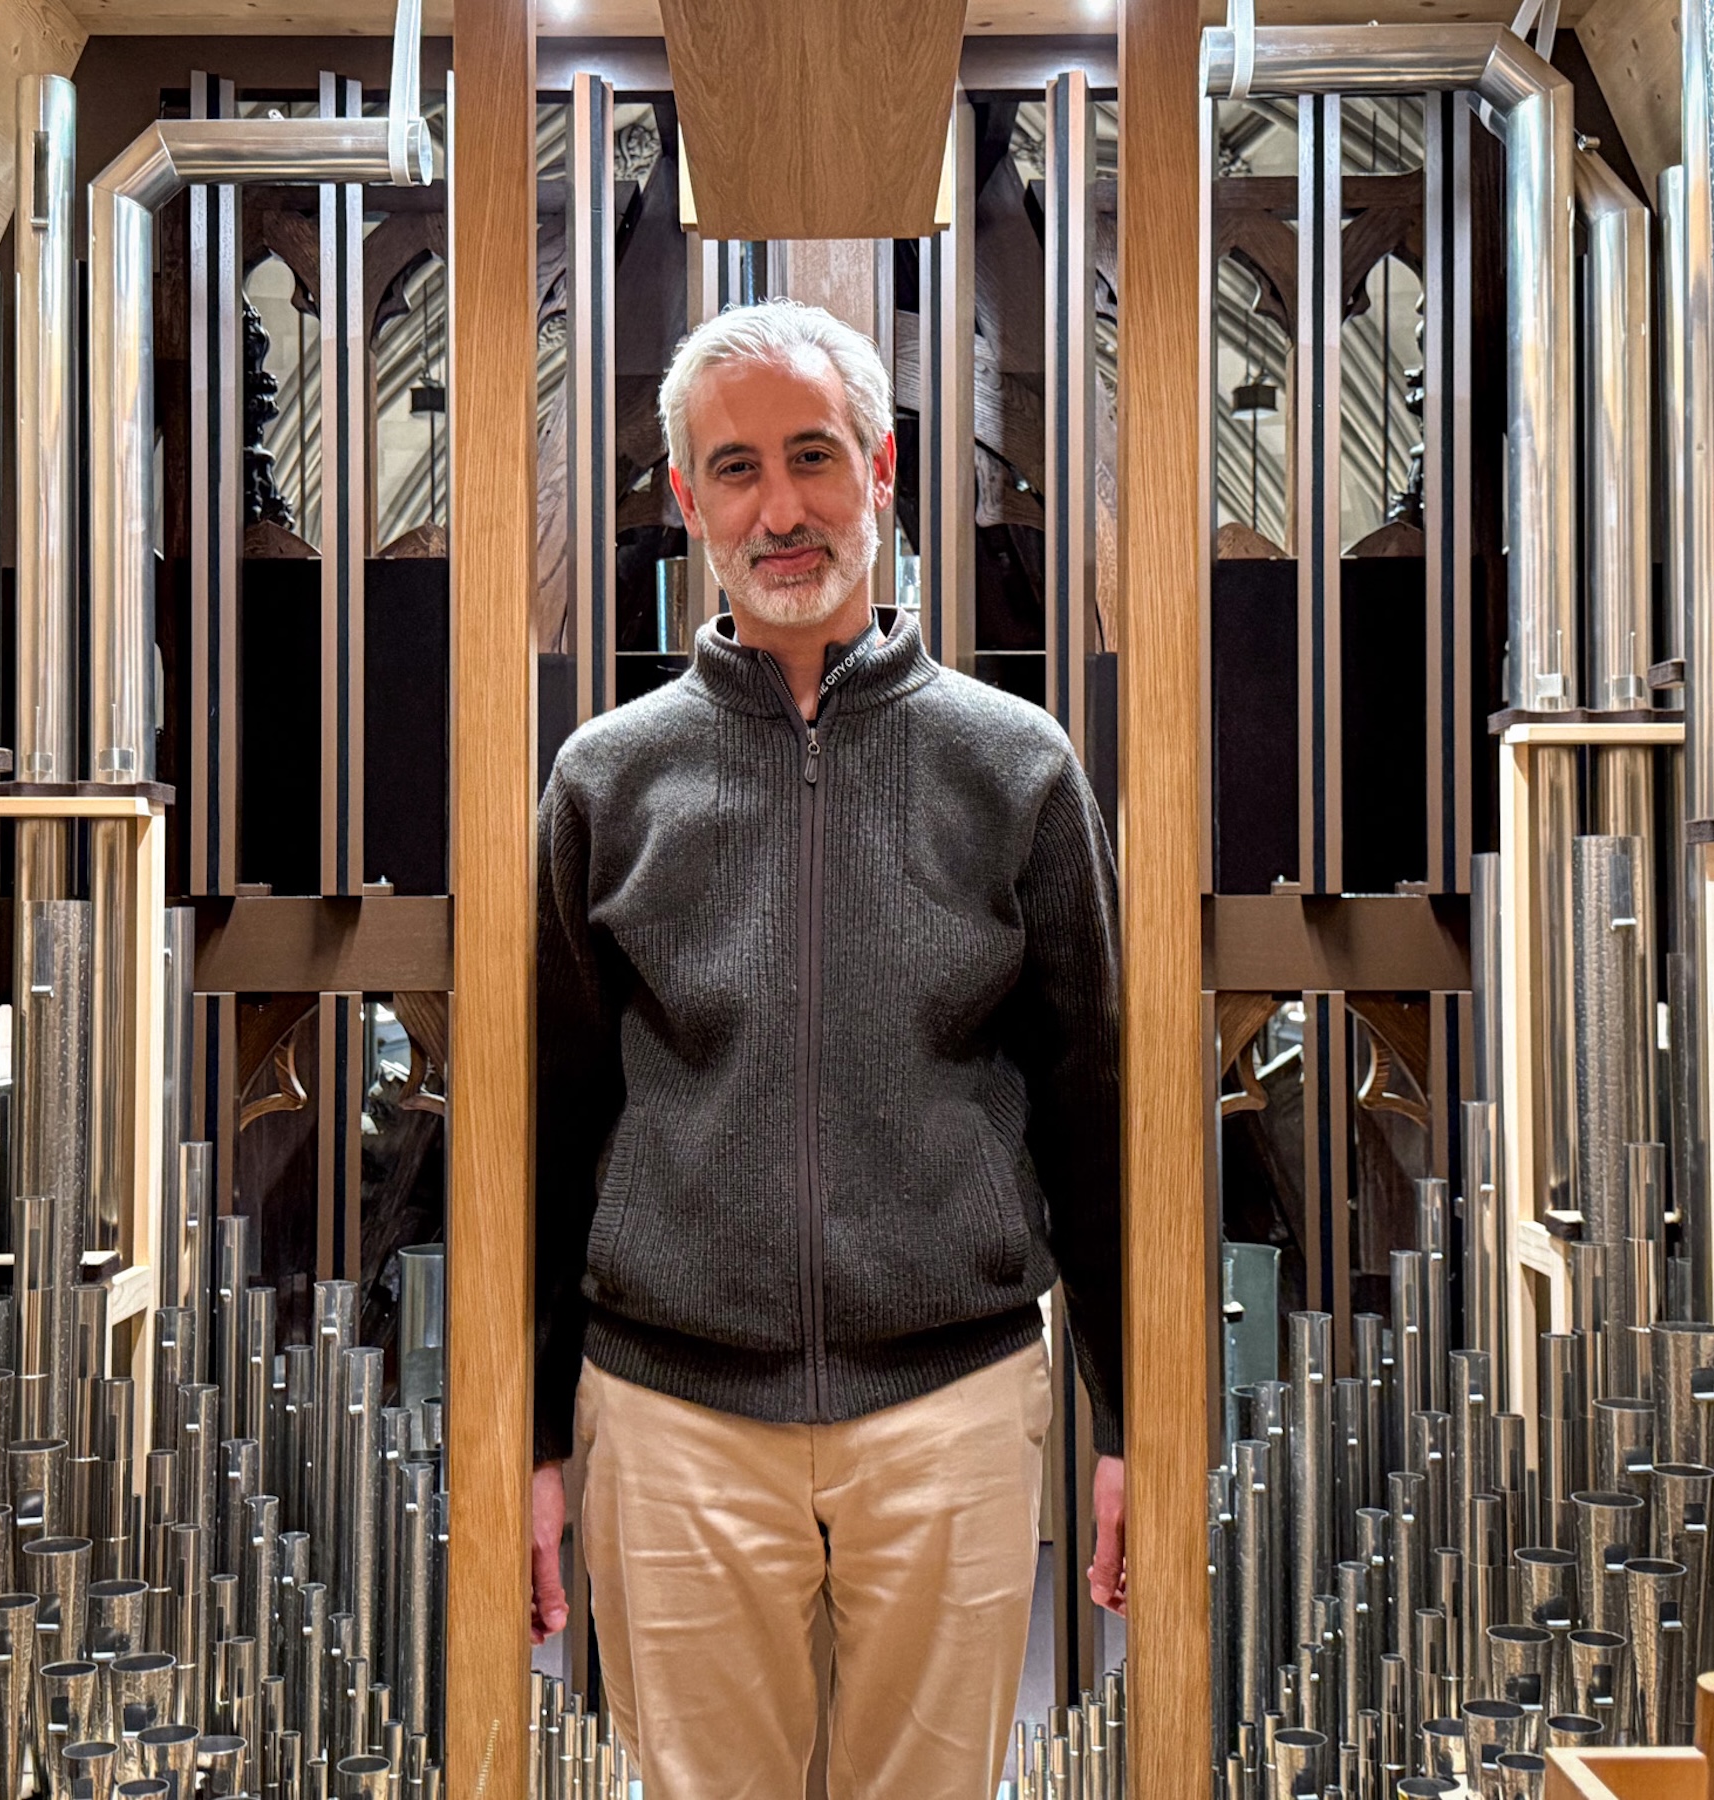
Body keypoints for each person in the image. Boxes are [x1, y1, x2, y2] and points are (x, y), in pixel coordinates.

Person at [531, 298, 1125, 1799]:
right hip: (670, 1421)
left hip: (954, 1411)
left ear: (884, 467)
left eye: (812, 457)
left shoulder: (1016, 766)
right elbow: (551, 1124)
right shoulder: (611, 782)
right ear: (687, 502)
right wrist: (538, 1439)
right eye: (734, 470)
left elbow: (1093, 1108)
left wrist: (1122, 1421)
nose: (778, 508)